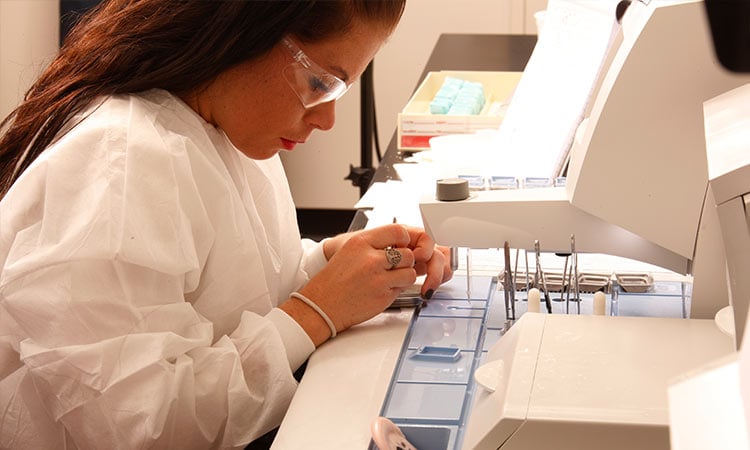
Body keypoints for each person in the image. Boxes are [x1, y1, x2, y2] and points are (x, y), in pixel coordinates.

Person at [0, 1, 453, 448]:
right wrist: (317, 311)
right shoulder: (119, 162)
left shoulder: (225, 126)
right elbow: (142, 426)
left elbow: (234, 294)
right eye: (319, 83)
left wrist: (330, 265)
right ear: (244, 30)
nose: (326, 119)